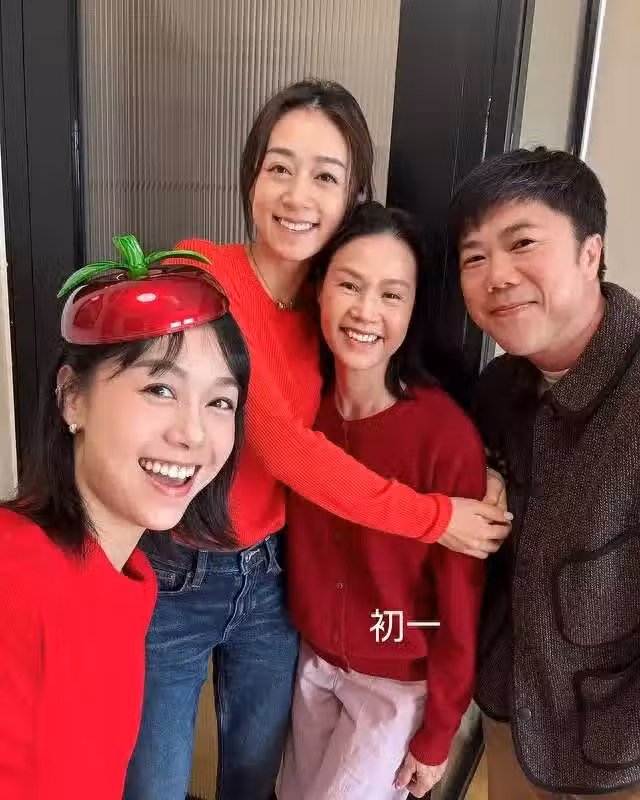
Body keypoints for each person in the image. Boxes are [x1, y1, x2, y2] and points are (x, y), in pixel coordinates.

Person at [124, 79, 510, 800]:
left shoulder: (328, 310)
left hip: (276, 581)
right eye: (279, 167)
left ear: (352, 195)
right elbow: (284, 446)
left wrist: (479, 462)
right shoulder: (204, 273)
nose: (298, 195)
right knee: (155, 783)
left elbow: (389, 410)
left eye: (325, 176)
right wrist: (437, 515)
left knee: (253, 779)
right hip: (183, 570)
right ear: (251, 177)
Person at [0, 235, 249, 799]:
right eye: (160, 388)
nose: (193, 433)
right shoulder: (15, 580)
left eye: (220, 402)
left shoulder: (132, 578)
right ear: (73, 397)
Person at [277, 202, 486, 800]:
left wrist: (438, 731)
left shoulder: (444, 437)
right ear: (318, 288)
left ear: (414, 309)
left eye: (392, 294)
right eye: (349, 285)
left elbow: (459, 606)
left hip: (396, 687)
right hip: (311, 663)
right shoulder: (296, 410)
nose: (366, 311)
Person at [450, 146, 640, 799]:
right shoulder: (497, 390)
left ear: (591, 252)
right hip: (512, 720)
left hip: (621, 756)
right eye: (474, 257)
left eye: (522, 242)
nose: (497, 276)